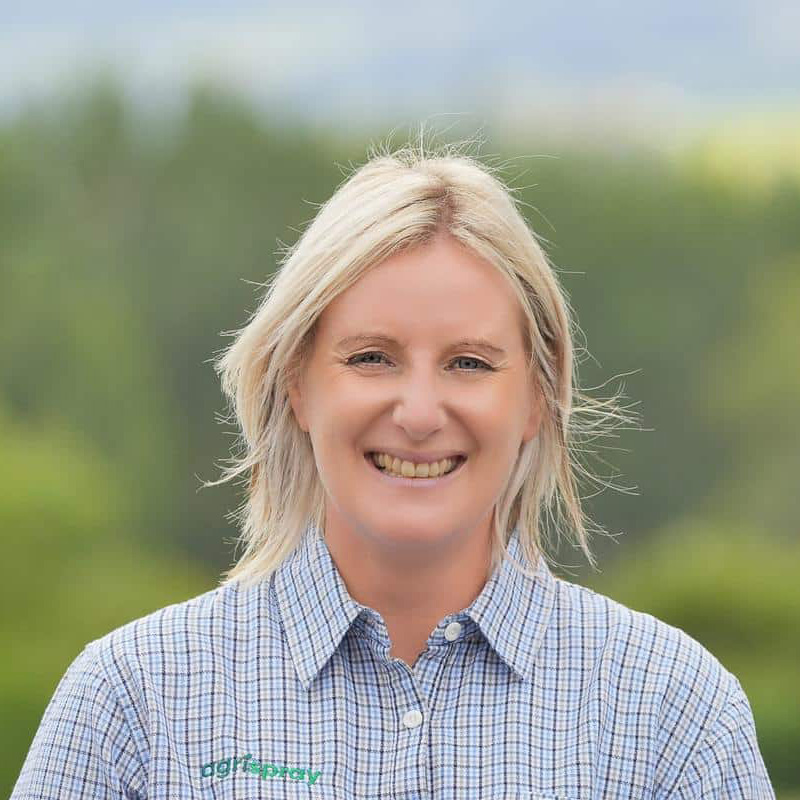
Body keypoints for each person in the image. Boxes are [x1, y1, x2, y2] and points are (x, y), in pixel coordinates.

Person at [11, 136, 776, 799]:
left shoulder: (672, 710)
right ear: (296, 384)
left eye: (468, 363)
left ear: (538, 399)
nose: (418, 412)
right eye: (372, 358)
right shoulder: (134, 702)